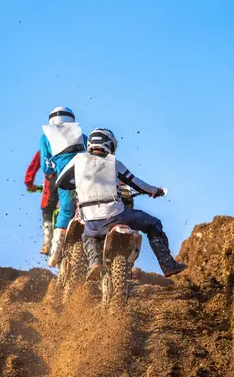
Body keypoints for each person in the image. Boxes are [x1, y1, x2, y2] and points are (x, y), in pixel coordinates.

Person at [56, 128, 186, 280]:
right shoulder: (113, 163)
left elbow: (61, 182)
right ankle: (168, 265)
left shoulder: (77, 160)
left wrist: (80, 184)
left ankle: (95, 264)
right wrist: (155, 191)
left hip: (90, 219)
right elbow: (136, 183)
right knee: (153, 224)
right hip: (116, 215)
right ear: (110, 145)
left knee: (89, 235)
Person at [40, 106, 86, 267]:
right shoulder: (82, 137)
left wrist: (54, 168)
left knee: (66, 210)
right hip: (88, 179)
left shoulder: (46, 138)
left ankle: (55, 252)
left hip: (65, 180)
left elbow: (45, 166)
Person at [24, 150, 58, 255]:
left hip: (51, 185)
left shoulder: (45, 150)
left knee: (47, 208)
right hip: (72, 186)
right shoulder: (76, 146)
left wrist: (30, 185)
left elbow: (32, 168)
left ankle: (47, 241)